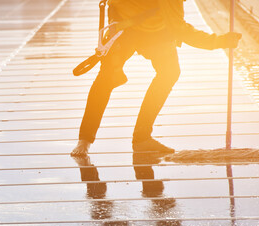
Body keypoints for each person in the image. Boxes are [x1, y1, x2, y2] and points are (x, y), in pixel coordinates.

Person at [71, 0, 242, 156]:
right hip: (132, 31)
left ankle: (92, 141)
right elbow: (179, 28)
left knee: (164, 72)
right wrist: (219, 42)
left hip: (138, 31)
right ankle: (139, 138)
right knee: (164, 73)